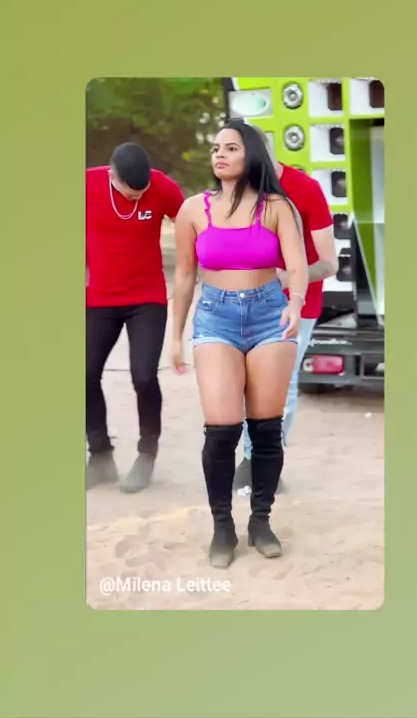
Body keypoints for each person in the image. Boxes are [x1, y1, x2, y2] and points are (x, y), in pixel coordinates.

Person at [171, 120, 308, 568]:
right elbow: (185, 275)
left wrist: (296, 303)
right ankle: (222, 526)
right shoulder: (193, 209)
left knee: (265, 428)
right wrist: (176, 335)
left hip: (270, 315)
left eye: (230, 147)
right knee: (221, 430)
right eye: (216, 147)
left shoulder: (277, 207)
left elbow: (297, 264)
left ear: (250, 154)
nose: (220, 154)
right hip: (216, 317)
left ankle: (261, 521)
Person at [234, 130, 339, 492]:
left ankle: (263, 459)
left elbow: (329, 263)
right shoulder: (240, 189)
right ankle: (252, 455)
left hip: (296, 305)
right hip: (246, 301)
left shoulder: (306, 189)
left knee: (280, 383)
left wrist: (286, 276)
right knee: (245, 382)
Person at [86, 142, 184, 493]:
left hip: (147, 299)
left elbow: (191, 222)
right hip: (99, 298)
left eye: (142, 193)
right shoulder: (86, 185)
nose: (137, 198)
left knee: (143, 376)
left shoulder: (162, 187)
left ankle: (146, 454)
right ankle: (100, 456)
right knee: (83, 374)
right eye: (131, 193)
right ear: (112, 176)